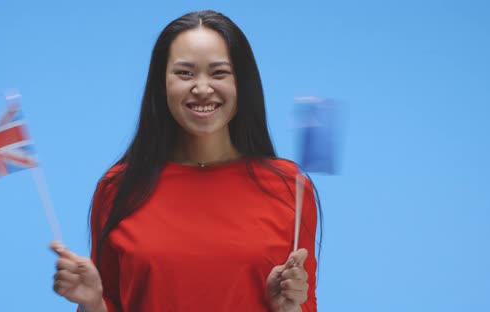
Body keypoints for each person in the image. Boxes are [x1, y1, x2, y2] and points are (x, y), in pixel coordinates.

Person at [50, 10, 321, 312]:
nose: (202, 88)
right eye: (185, 73)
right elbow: (110, 302)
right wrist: (90, 303)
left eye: (219, 72)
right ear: (161, 84)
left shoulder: (290, 187)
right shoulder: (119, 187)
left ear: (242, 83)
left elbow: (306, 304)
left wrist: (288, 307)